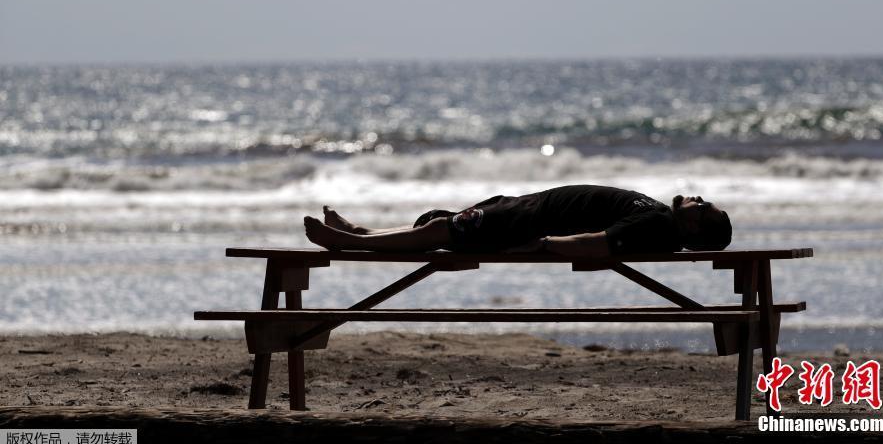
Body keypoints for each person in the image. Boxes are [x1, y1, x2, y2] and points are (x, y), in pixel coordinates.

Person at [304, 184, 732, 258]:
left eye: (703, 206)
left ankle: (351, 242)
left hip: (527, 220)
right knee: (441, 226)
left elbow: (600, 243)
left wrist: (546, 243)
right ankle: (359, 233)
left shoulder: (659, 226)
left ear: (693, 228)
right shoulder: (659, 219)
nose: (697, 199)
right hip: (526, 210)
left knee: (440, 231)